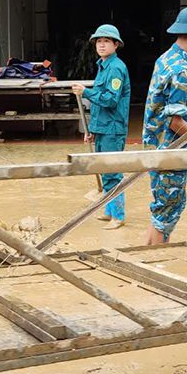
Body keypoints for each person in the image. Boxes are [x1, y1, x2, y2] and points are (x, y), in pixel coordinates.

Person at [143, 5, 187, 244]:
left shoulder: (166, 58)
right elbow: (174, 120)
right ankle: (155, 261)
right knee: (168, 209)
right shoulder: (183, 68)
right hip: (170, 149)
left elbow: (171, 105)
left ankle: (148, 257)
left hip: (155, 146)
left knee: (160, 210)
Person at [72, 25, 131, 230]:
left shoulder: (116, 68)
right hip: (103, 128)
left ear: (116, 44)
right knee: (104, 171)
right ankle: (109, 210)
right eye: (99, 41)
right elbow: (99, 106)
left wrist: (86, 92)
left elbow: (110, 100)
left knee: (112, 172)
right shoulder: (103, 66)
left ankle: (119, 215)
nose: (102, 44)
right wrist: (92, 131)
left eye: (106, 41)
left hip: (113, 129)